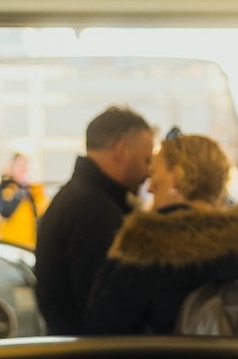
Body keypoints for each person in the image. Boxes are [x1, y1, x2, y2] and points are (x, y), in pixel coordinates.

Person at [83, 132, 238, 337]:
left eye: (154, 173)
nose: (149, 186)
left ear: (175, 178)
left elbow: (99, 327)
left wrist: (116, 254)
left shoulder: (146, 250)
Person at [34, 106, 155, 333]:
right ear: (121, 151)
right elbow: (110, 310)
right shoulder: (92, 209)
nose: (149, 173)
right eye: (146, 160)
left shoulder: (80, 197)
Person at [0, 152, 44, 249]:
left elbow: (41, 215)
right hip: (8, 245)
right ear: (11, 166)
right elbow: (5, 211)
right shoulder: (2, 188)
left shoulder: (34, 190)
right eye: (20, 164)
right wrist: (20, 193)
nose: (23, 168)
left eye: (25, 165)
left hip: (30, 246)